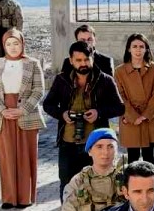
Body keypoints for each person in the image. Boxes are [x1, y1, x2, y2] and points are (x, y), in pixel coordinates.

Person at [43, 41, 125, 196]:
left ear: (92, 58)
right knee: (67, 184)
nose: (83, 64)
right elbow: (48, 104)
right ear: (71, 60)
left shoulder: (105, 80)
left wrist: (98, 112)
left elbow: (120, 107)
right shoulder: (62, 80)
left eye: (86, 60)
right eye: (78, 60)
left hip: (95, 144)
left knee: (97, 183)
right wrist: (63, 114)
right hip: (68, 143)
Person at [0, 28, 44, 208]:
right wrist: (2, 109)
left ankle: (25, 197)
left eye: (16, 43)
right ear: (4, 45)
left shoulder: (32, 63)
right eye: (8, 44)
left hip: (26, 115)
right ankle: (9, 198)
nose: (12, 47)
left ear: (22, 44)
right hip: (2, 116)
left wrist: (23, 109)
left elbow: (39, 90)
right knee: (6, 156)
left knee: (26, 155)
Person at [113, 34, 154, 163]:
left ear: (146, 49)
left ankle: (151, 182)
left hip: (150, 116)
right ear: (129, 49)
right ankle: (131, 182)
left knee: (149, 156)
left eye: (142, 46)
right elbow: (120, 95)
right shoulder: (120, 71)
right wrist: (133, 116)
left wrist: (146, 115)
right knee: (132, 156)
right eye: (134, 46)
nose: (138, 49)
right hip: (129, 117)